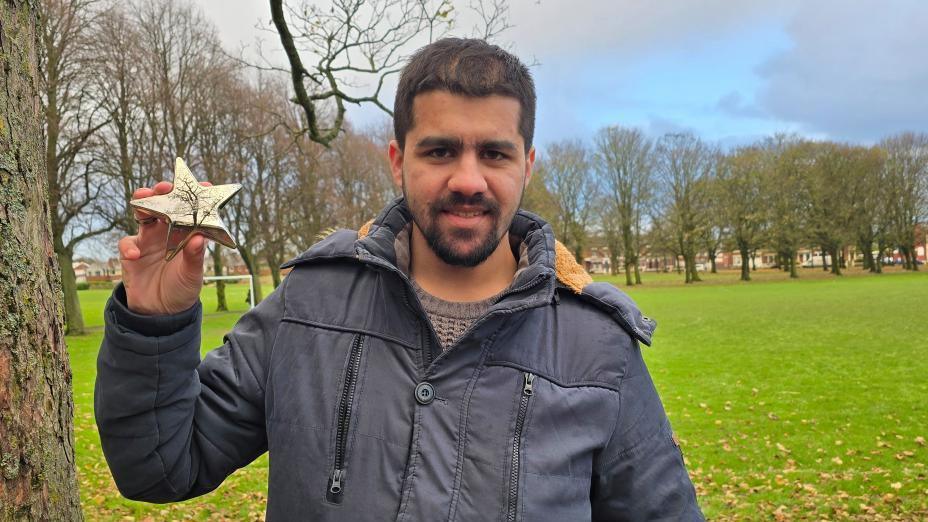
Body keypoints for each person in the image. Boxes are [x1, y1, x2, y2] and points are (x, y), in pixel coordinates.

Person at [96, 38, 704, 521]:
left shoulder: (599, 347)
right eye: (440, 151)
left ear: (527, 165)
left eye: (494, 153)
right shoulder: (309, 305)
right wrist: (154, 324)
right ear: (397, 160)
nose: (468, 179)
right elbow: (158, 468)